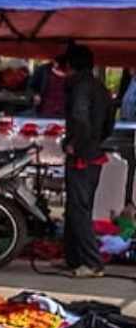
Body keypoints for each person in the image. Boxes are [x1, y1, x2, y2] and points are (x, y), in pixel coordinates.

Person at [62, 43, 115, 279]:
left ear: (70, 65)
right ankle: (74, 258)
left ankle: (92, 263)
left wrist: (74, 143)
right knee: (77, 208)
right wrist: (95, 141)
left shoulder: (80, 87)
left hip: (82, 156)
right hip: (95, 153)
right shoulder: (100, 87)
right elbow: (109, 124)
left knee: (78, 209)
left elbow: (80, 119)